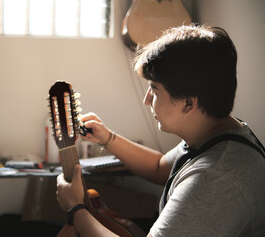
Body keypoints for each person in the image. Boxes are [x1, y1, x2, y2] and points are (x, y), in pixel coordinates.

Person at [56, 24, 265, 237]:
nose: (147, 100)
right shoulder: (214, 133)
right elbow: (159, 167)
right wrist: (107, 138)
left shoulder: (214, 177)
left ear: (188, 103)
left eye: (154, 89)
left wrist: (76, 209)